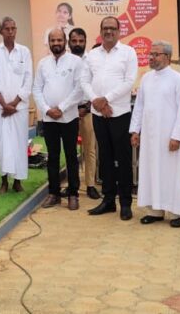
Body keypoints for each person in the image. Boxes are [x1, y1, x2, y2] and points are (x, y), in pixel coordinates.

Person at [130, 40, 180, 228]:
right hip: (149, 137)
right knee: (150, 171)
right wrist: (135, 130)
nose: (151, 57)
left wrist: (177, 136)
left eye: (156, 54)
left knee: (172, 173)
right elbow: (139, 106)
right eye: (151, 54)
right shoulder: (146, 79)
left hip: (169, 137)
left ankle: (175, 213)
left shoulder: (177, 79)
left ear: (168, 57)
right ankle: (154, 211)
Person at [82, 16, 138, 220]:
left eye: (112, 28)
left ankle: (125, 203)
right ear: (100, 31)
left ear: (119, 31)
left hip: (119, 114)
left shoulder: (128, 53)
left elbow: (129, 81)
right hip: (98, 115)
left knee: (123, 159)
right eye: (105, 28)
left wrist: (106, 100)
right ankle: (108, 200)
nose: (108, 31)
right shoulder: (92, 55)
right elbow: (84, 81)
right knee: (104, 158)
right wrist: (96, 101)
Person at [34, 29, 84, 210]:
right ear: (49, 42)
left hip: (69, 117)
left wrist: (61, 108)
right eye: (53, 40)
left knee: (71, 156)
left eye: (59, 40)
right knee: (52, 157)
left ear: (65, 41)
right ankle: (53, 193)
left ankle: (73, 194)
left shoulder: (76, 62)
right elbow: (36, 89)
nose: (56, 43)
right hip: (49, 119)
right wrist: (47, 110)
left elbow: (79, 89)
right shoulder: (43, 63)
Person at [0, 17, 33, 194]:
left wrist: (13, 104)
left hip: (18, 108)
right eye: (7, 29)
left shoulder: (24, 52)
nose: (11, 31)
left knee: (19, 143)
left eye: (13, 28)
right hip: (0, 109)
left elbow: (28, 80)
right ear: (0, 32)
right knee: (1, 144)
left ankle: (18, 182)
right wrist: (4, 105)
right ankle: (4, 181)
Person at [70, 28, 101, 200]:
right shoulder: (65, 61)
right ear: (69, 42)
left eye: (81, 41)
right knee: (70, 150)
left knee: (90, 149)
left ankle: (90, 185)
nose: (77, 44)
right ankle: (72, 185)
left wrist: (87, 107)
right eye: (74, 41)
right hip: (68, 112)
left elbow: (96, 85)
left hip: (88, 110)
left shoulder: (92, 60)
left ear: (85, 42)